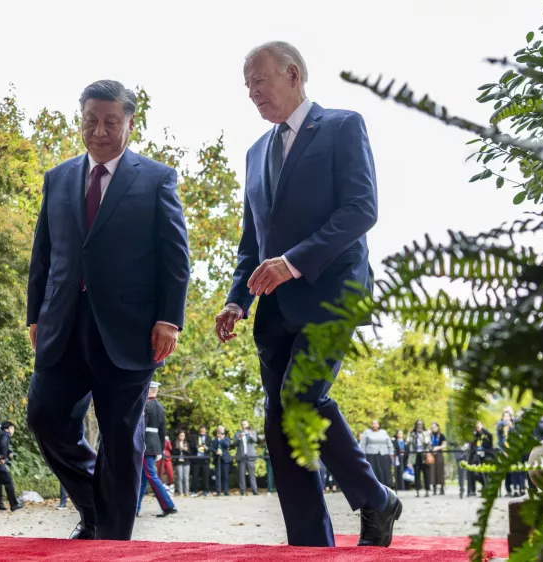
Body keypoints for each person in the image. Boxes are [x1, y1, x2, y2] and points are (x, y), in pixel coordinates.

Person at [214, 41, 400, 547]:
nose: (251, 92)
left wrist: (293, 263)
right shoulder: (255, 152)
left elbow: (361, 209)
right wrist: (237, 299)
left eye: (259, 80)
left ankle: (377, 499)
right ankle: (309, 545)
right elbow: (252, 240)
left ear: (292, 74)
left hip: (332, 293)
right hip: (273, 309)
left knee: (301, 398)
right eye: (246, 84)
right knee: (280, 426)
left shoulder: (343, 125)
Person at [25, 79, 191, 541]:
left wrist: (169, 318)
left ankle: (112, 541)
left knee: (120, 437)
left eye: (110, 122)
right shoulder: (58, 178)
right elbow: (44, 252)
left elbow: (176, 257)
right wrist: (34, 315)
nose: (99, 131)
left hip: (131, 331)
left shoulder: (157, 178)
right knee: (44, 415)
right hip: (62, 325)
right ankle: (97, 504)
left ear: (130, 124)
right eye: (91, 121)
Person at [137, 381, 177, 517]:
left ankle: (168, 505)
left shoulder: (146, 406)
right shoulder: (160, 407)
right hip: (155, 445)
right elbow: (162, 430)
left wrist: (138, 444)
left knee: (151, 475)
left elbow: (141, 427)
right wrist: (160, 449)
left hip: (146, 445)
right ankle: (134, 509)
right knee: (143, 478)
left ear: (148, 390)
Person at [359, 420, 394, 488]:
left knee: (385, 470)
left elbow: (389, 443)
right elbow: (362, 444)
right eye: (373, 424)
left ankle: (386, 486)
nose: (375, 425)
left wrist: (391, 453)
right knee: (374, 470)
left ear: (379, 425)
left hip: (384, 454)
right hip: (371, 455)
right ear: (371, 425)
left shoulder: (384, 432)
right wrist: (362, 455)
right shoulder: (367, 432)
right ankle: (374, 486)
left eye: (376, 424)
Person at [233, 420, 259, 495]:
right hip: (241, 457)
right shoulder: (237, 433)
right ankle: (243, 491)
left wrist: (249, 433)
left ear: (248, 424)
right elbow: (234, 444)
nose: (243, 425)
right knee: (241, 475)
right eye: (242, 424)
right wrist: (239, 438)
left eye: (245, 424)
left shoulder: (252, 432)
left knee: (252, 474)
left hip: (250, 456)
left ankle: (255, 490)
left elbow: (255, 440)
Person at [407, 420, 432, 497]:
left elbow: (428, 443)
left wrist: (425, 434)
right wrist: (411, 434)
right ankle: (417, 491)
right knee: (417, 474)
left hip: (424, 455)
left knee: (426, 474)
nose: (419, 426)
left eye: (421, 424)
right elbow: (407, 442)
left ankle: (427, 491)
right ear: (416, 425)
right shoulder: (412, 433)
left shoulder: (426, 433)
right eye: (418, 424)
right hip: (415, 455)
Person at [190, 426, 212, 497]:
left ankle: (206, 491)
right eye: (201, 431)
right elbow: (191, 446)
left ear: (205, 431)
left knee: (206, 476)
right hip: (196, 459)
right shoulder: (194, 437)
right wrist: (196, 446)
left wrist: (206, 447)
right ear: (199, 431)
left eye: (203, 431)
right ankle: (194, 491)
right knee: (195, 476)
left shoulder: (208, 438)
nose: (202, 432)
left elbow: (211, 447)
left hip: (205, 459)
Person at [212, 426, 232, 496]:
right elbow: (213, 448)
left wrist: (222, 439)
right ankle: (218, 491)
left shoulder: (226, 439)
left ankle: (226, 491)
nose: (222, 432)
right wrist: (216, 452)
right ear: (217, 432)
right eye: (220, 431)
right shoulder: (214, 440)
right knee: (217, 476)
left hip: (225, 460)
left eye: (223, 431)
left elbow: (227, 445)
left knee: (225, 476)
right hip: (217, 460)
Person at [428, 422, 446, 496]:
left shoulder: (441, 435)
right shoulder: (429, 435)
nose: (433, 428)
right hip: (431, 455)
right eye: (432, 427)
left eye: (435, 427)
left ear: (438, 427)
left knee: (440, 471)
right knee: (432, 471)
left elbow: (444, 444)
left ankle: (442, 488)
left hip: (439, 454)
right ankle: (434, 488)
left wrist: (437, 448)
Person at [173, 430, 191, 496]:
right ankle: (181, 492)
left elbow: (190, 453)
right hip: (178, 462)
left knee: (186, 477)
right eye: (181, 435)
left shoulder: (187, 443)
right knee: (180, 477)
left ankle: (187, 492)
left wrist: (186, 450)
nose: (182, 437)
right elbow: (173, 453)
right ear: (178, 436)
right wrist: (180, 449)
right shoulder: (175, 443)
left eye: (183, 436)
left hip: (186, 462)